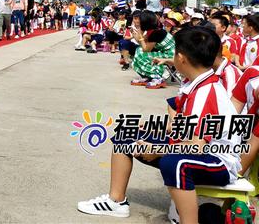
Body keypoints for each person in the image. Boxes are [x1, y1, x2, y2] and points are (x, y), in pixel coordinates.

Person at [78, 26, 242, 222]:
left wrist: (157, 149)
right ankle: (116, 201)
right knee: (125, 133)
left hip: (218, 162)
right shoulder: (197, 83)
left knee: (175, 163)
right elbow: (184, 127)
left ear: (181, 58)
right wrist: (150, 128)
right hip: (199, 149)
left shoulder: (206, 93)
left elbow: (197, 147)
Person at [131, 10, 175, 89]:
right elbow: (140, 42)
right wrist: (139, 30)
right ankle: (149, 77)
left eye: (139, 19)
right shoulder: (153, 31)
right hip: (166, 53)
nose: (137, 21)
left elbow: (145, 49)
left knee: (141, 53)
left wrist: (140, 34)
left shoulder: (155, 33)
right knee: (138, 50)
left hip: (172, 55)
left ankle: (157, 77)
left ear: (145, 22)